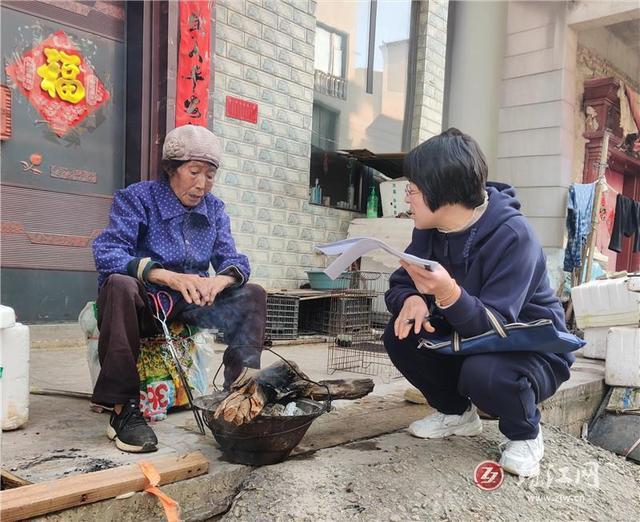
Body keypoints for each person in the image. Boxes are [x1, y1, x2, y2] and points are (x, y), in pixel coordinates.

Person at [383, 128, 573, 477]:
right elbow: (400, 282)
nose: (407, 197)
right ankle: (457, 414)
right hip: (468, 336)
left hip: (528, 346)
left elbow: (496, 326)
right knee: (401, 333)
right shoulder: (429, 229)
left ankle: (525, 434)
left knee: (484, 372)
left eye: (413, 189)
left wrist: (447, 294)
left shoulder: (513, 236)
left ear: (443, 193)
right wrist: (411, 299)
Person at [92, 124, 266, 453]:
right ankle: (123, 410)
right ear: (172, 169)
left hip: (190, 304)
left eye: (210, 175)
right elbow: (108, 252)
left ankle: (237, 395)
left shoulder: (214, 209)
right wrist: (168, 277)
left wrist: (218, 280)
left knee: (252, 294)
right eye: (194, 172)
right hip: (145, 303)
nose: (202, 184)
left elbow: (233, 259)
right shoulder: (137, 198)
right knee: (119, 284)